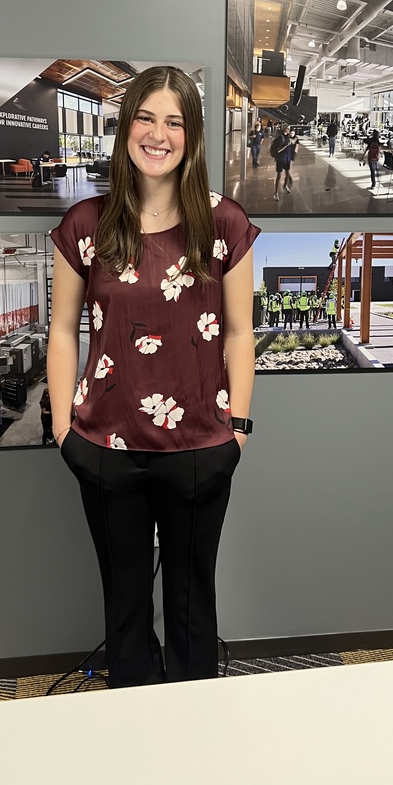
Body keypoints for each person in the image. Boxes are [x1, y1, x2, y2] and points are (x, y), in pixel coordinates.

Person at [48, 66, 259, 689]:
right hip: (106, 449)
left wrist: (238, 428)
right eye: (146, 118)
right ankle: (135, 737)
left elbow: (243, 333)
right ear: (125, 127)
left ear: (191, 136)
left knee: (194, 604)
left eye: (174, 122)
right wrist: (65, 430)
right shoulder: (88, 224)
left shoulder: (223, 224)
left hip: (199, 447)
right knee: (126, 606)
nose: (158, 134)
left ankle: (195, 738)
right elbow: (62, 331)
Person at [270, 126, 293, 201]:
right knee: (279, 176)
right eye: (288, 128)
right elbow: (278, 150)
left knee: (287, 174)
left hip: (287, 158)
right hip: (281, 159)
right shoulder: (280, 138)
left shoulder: (288, 137)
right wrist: (287, 144)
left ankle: (285, 186)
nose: (289, 130)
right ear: (284, 129)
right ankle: (276, 193)